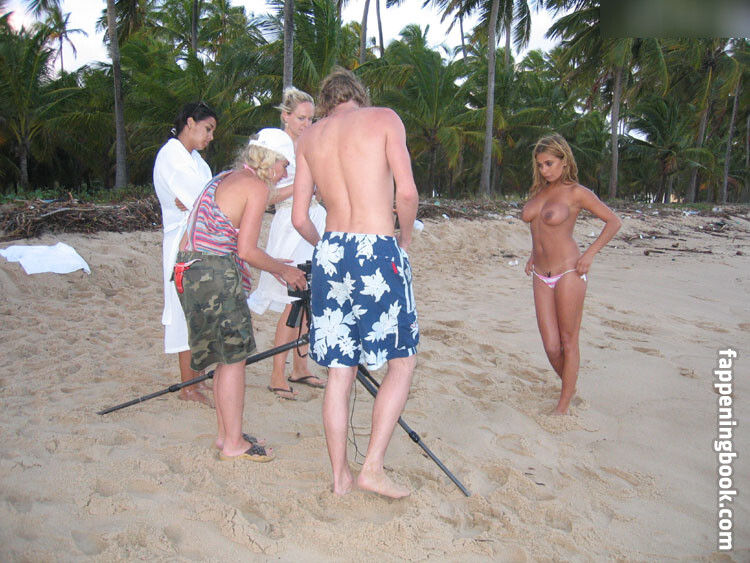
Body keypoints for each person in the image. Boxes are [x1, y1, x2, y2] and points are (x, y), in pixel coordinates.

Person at [292, 68, 420, 498]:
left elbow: (299, 218)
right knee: (401, 361)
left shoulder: (309, 138)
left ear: (326, 103)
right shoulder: (383, 118)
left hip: (331, 248)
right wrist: (403, 240)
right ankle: (372, 468)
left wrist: (328, 248)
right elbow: (406, 193)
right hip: (375, 245)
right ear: (360, 97)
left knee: (339, 369)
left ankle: (340, 477)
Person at [174, 128, 307, 461]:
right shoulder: (256, 186)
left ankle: (226, 436)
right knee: (234, 359)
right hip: (215, 274)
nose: (285, 173)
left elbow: (217, 237)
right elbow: (246, 251)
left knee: (224, 358)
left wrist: (272, 263)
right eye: (284, 165)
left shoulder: (225, 178)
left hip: (190, 270)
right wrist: (284, 271)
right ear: (271, 161)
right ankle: (234, 443)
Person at [521, 134, 622, 415]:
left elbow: (614, 222)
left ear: (564, 161)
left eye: (550, 163)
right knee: (551, 347)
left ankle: (563, 405)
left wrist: (589, 255)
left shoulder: (577, 193)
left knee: (568, 340)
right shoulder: (539, 192)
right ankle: (570, 386)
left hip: (569, 270)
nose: (545, 170)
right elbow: (539, 228)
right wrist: (533, 253)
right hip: (540, 274)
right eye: (540, 165)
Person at [247, 87, 327, 400]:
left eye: (311, 118)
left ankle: (300, 367)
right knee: (292, 301)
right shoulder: (275, 147)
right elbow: (267, 195)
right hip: (290, 223)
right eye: (301, 118)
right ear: (286, 116)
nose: (307, 123)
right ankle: (277, 373)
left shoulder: (310, 144)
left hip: (314, 218)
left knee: (309, 299)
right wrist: (302, 186)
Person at [153, 102, 217, 407]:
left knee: (200, 311)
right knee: (184, 311)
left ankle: (198, 379)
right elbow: (204, 200)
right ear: (190, 123)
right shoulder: (172, 156)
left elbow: (207, 198)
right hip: (182, 241)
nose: (210, 136)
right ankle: (188, 386)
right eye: (208, 129)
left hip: (201, 238)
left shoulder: (197, 161)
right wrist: (199, 201)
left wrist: (199, 201)